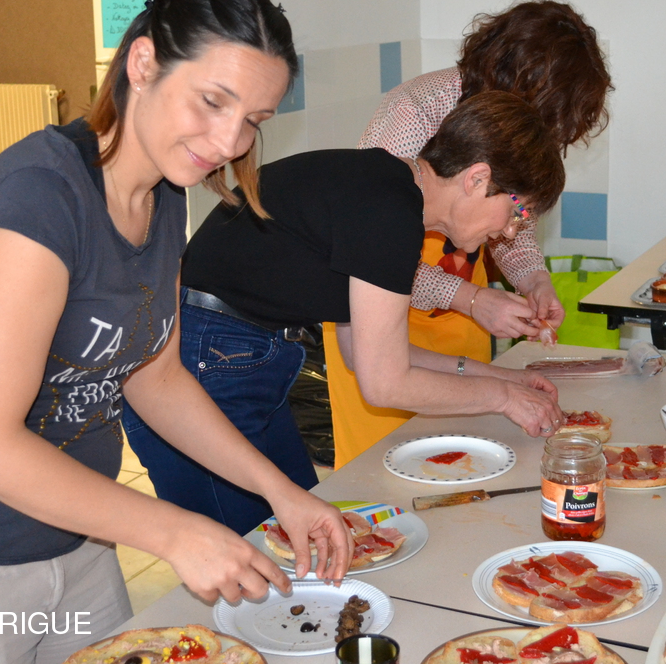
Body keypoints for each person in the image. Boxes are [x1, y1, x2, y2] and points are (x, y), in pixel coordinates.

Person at [0, 0, 351, 664]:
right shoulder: (40, 199)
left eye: (254, 119)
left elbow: (156, 377)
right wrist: (173, 532)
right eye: (212, 101)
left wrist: (280, 491)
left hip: (77, 546)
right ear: (143, 64)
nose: (230, 140)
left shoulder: (164, 193)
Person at [122, 91, 568, 532]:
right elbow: (384, 384)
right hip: (199, 364)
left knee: (301, 534)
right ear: (477, 178)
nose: (511, 231)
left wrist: (501, 378)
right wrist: (503, 398)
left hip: (235, 356)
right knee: (248, 552)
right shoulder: (390, 210)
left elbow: (366, 355)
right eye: (518, 210)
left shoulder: (386, 192)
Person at [329, 0, 612, 466]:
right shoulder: (413, 115)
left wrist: (533, 279)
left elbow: (514, 212)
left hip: (460, 327)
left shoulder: (511, 138)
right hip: (379, 322)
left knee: (474, 464)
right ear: (512, 82)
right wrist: (472, 299)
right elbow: (370, 250)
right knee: (382, 473)